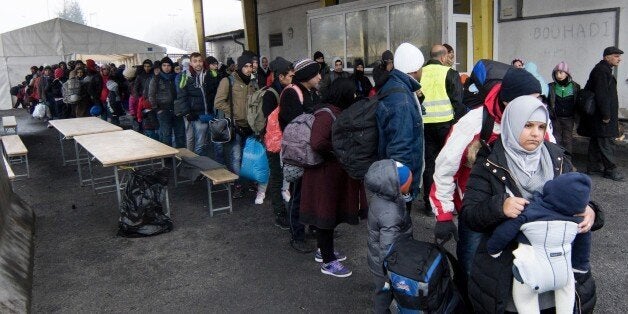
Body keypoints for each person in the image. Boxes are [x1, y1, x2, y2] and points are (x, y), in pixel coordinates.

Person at [460, 95, 601, 314]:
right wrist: (500, 206)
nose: (536, 133)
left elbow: (577, 194)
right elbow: (469, 215)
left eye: (541, 126)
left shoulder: (557, 157)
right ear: (512, 123)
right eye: (527, 125)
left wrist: (591, 210)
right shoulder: (489, 162)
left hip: (558, 278)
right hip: (509, 280)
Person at [430, 67, 546, 278]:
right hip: (478, 210)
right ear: (507, 102)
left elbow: (553, 163)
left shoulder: (537, 123)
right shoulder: (474, 122)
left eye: (539, 101)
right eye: (530, 101)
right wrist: (444, 215)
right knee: (472, 270)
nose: (536, 108)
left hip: (521, 210)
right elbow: (445, 168)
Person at [487, 172, 593, 314]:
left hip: (530, 270)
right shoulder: (579, 221)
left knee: (525, 301)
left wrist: (494, 248)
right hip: (563, 271)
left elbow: (506, 231)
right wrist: (580, 267)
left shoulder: (530, 211)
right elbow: (583, 246)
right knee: (567, 293)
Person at [300, 78, 363, 277]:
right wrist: (338, 151)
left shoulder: (335, 111)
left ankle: (323, 250)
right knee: (325, 215)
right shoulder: (327, 114)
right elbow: (317, 142)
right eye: (352, 93)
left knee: (329, 213)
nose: (354, 96)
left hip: (329, 174)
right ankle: (328, 261)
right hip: (324, 175)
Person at [377, 42, 425, 215]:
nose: (422, 71)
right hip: (401, 180)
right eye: (421, 67)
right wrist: (402, 187)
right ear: (414, 69)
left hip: (396, 175)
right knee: (399, 228)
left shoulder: (398, 86)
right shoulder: (402, 100)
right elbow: (400, 146)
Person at [278, 58, 321, 252]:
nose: (320, 77)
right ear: (306, 76)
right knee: (298, 194)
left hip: (312, 151)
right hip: (298, 153)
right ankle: (297, 235)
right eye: (316, 73)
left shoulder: (311, 92)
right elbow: (294, 125)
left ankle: (313, 227)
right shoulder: (291, 94)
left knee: (313, 192)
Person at [420, 44, 464, 216]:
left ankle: (428, 203)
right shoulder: (449, 73)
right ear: (444, 57)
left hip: (425, 124)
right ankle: (447, 202)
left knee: (429, 164)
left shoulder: (420, 72)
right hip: (446, 124)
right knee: (448, 163)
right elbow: (458, 103)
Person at [365, 159, 413, 312]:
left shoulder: (382, 197)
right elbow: (388, 246)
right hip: (386, 266)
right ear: (398, 186)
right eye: (409, 183)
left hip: (378, 258)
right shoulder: (391, 213)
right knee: (384, 294)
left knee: (382, 292)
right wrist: (388, 272)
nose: (411, 185)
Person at [214, 52, 258, 198]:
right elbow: (218, 102)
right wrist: (233, 113)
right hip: (235, 126)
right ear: (239, 67)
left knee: (250, 157)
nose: (248, 69)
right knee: (235, 157)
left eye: (250, 66)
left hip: (250, 126)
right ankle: (237, 184)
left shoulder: (253, 82)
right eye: (245, 66)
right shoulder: (228, 81)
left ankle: (252, 182)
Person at [579, 46, 624, 182]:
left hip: (598, 116)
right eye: (616, 56)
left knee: (596, 140)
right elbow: (602, 95)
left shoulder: (603, 70)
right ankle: (610, 170)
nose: (619, 59)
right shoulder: (601, 71)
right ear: (607, 57)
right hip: (602, 116)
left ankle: (593, 167)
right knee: (606, 141)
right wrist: (606, 115)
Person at [261, 57, 293, 229]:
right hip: (274, 143)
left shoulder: (286, 90)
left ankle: (287, 209)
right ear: (280, 76)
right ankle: (279, 213)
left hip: (285, 140)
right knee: (276, 176)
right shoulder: (270, 94)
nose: (292, 77)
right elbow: (271, 121)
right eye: (289, 75)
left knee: (286, 176)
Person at [176, 52, 211, 156]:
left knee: (201, 142)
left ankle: (197, 162)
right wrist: (187, 113)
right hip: (189, 113)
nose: (198, 64)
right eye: (195, 61)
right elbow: (181, 96)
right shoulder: (185, 76)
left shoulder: (207, 75)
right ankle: (190, 161)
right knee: (190, 138)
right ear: (190, 63)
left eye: (200, 61)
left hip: (202, 113)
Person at [149, 57, 185, 148]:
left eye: (169, 65)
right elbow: (151, 95)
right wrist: (157, 109)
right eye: (164, 65)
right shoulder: (156, 79)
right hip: (163, 110)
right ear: (161, 66)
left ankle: (182, 156)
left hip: (177, 110)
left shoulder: (176, 77)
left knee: (180, 135)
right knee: (166, 135)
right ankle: (168, 159)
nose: (166, 67)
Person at [547, 61, 580, 154]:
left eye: (561, 72)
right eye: (556, 73)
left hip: (569, 118)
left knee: (567, 140)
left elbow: (578, 102)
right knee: (556, 139)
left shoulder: (575, 87)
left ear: (567, 73)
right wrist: (551, 113)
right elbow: (548, 102)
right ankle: (557, 160)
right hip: (556, 118)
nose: (558, 75)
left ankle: (567, 161)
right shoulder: (551, 86)